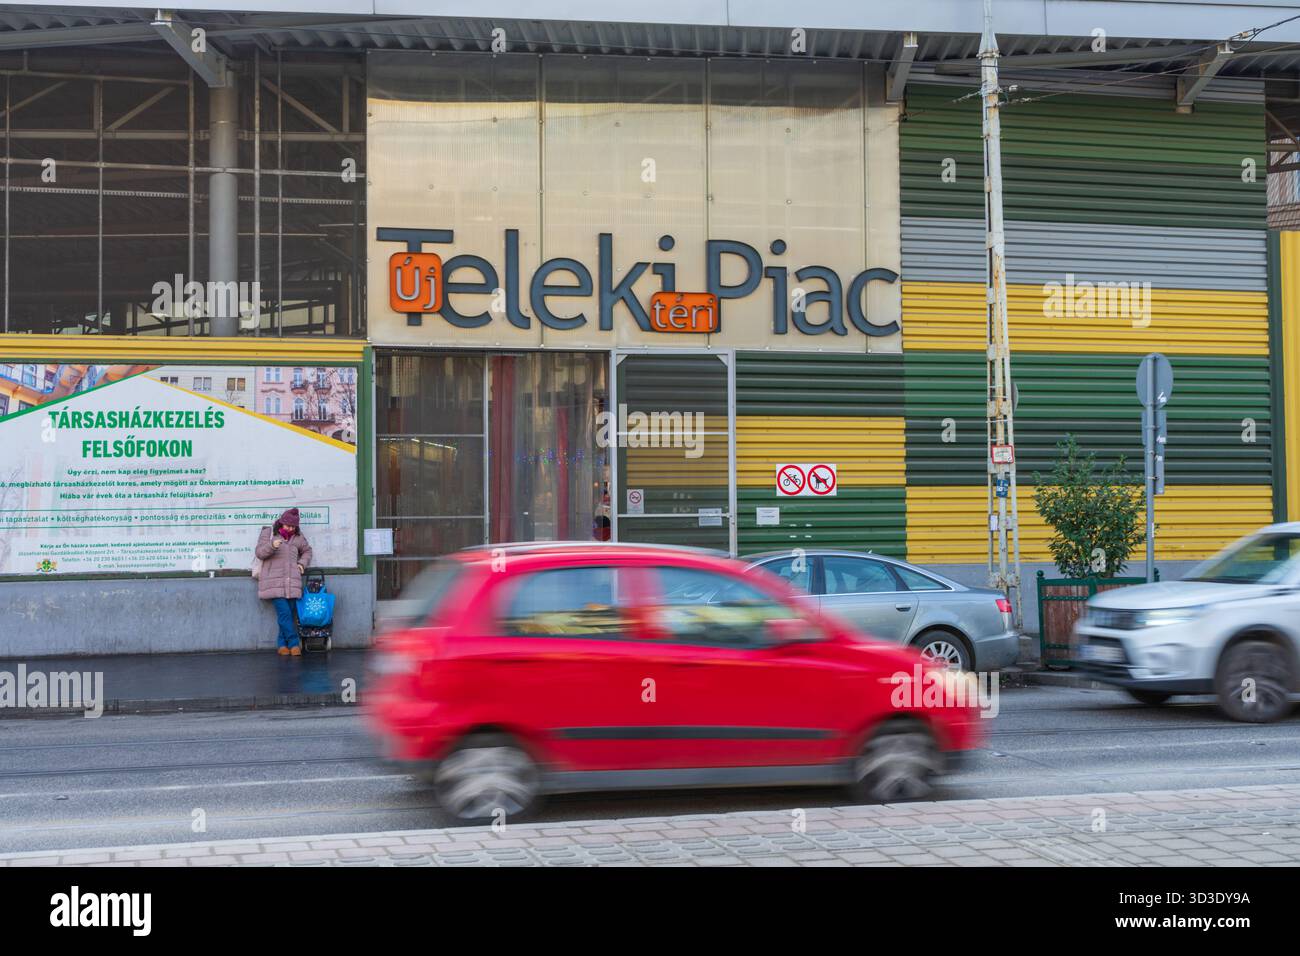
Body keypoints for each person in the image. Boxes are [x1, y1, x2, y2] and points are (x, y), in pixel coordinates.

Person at [255, 507, 314, 656]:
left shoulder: (298, 538)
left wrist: (302, 564)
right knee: (285, 614)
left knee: (287, 615)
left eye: (293, 526)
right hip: (274, 583)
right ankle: (294, 643)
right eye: (288, 525)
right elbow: (260, 553)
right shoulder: (269, 534)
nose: (291, 529)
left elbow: (307, 551)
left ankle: (282, 645)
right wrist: (272, 546)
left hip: (292, 582)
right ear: (281, 523)